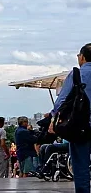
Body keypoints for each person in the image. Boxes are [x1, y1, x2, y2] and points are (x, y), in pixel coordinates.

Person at [49, 43, 91, 193]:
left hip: (81, 125)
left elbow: (62, 100)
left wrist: (53, 118)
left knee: (80, 165)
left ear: (83, 57)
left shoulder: (76, 75)